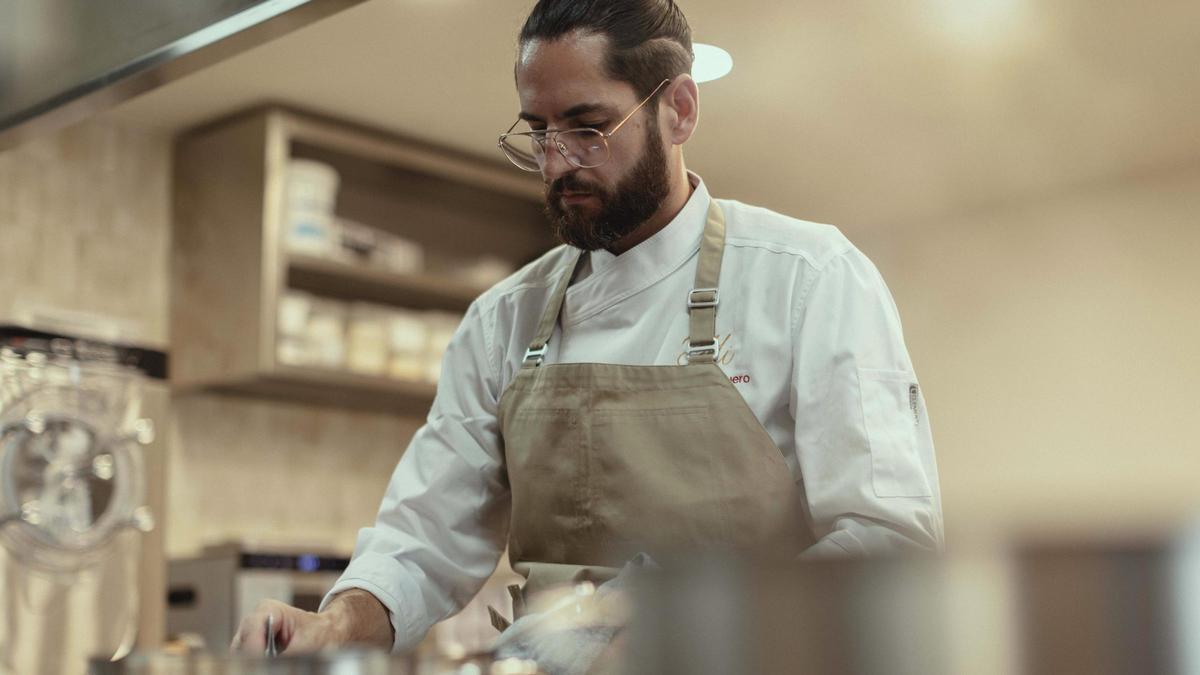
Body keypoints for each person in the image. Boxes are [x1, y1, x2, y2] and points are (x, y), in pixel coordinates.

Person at [232, 0, 943, 656]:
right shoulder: (503, 319)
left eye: (586, 126)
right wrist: (335, 623)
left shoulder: (808, 278)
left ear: (679, 110)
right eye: (538, 132)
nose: (556, 161)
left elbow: (886, 540)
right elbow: (422, 537)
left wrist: (676, 619)